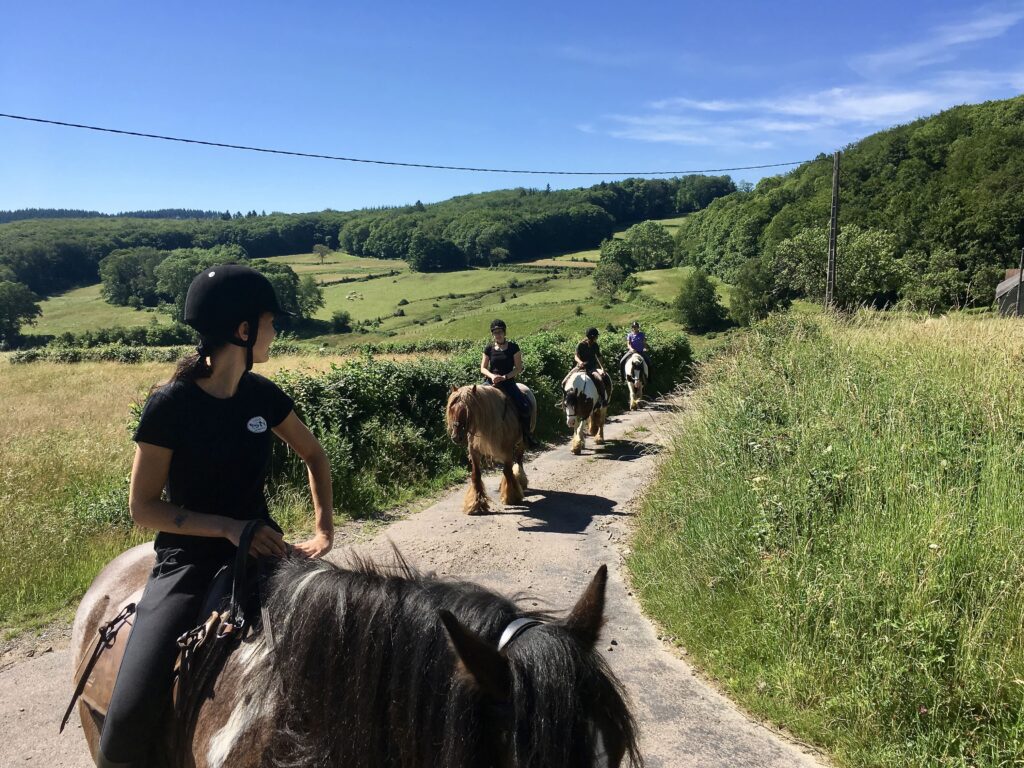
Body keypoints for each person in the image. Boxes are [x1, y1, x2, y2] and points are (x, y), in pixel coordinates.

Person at [97, 264, 335, 768]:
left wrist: (323, 529)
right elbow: (143, 508)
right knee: (128, 717)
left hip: (264, 551)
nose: (276, 331)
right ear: (243, 330)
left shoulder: (262, 395)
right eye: (270, 322)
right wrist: (228, 527)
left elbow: (314, 455)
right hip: (188, 561)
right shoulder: (171, 404)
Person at [481, 319, 539, 448]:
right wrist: (492, 376)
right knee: (477, 404)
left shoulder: (513, 347)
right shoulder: (489, 348)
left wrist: (504, 377)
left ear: (504, 332)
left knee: (524, 406)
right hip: (490, 382)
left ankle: (527, 435)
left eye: (500, 332)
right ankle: (477, 440)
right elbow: (483, 368)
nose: (498, 335)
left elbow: (518, 368)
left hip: (508, 382)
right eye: (495, 332)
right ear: (492, 334)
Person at [573, 327, 608, 406]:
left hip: (591, 368)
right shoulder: (580, 345)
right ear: (592, 337)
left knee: (599, 379)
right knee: (565, 380)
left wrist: (602, 367)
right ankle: (564, 399)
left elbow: (598, 357)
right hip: (580, 367)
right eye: (596, 336)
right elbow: (576, 356)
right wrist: (580, 362)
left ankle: (602, 399)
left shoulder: (595, 345)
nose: (597, 338)